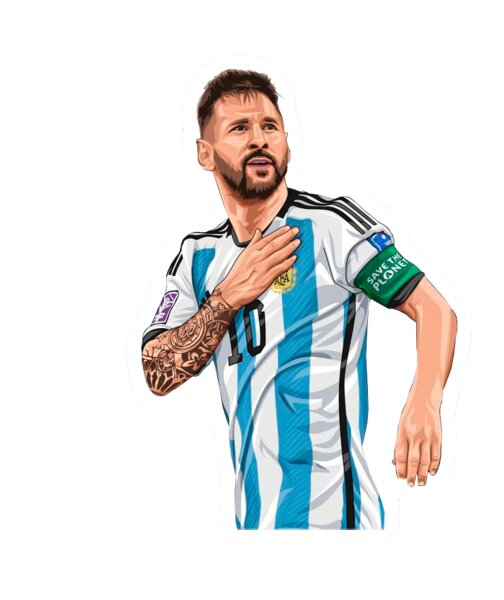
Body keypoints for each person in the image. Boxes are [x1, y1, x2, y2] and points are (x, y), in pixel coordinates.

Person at [142, 70, 457, 530]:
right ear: (204, 154)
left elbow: (432, 308)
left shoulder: (332, 225)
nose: (259, 139)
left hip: (335, 519)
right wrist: (228, 295)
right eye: (240, 128)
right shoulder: (195, 255)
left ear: (286, 141)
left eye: (269, 126)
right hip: (253, 521)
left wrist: (425, 402)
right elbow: (156, 374)